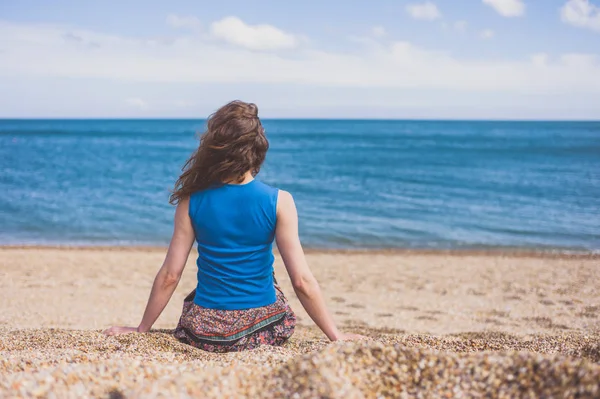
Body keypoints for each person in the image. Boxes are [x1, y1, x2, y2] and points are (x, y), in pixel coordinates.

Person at [104, 101, 365, 352]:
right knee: (270, 282)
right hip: (260, 331)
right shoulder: (280, 201)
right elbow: (302, 281)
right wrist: (335, 335)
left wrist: (142, 329)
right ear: (259, 149)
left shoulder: (191, 201)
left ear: (214, 149)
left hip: (204, 332)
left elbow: (170, 275)